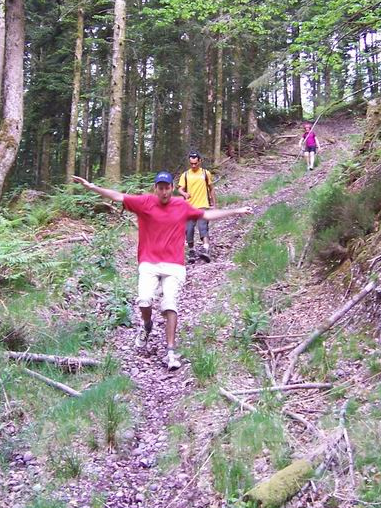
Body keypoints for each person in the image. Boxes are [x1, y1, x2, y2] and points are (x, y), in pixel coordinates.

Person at [72, 172, 252, 371]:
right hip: (149, 262)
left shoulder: (181, 205)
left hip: (174, 264)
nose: (164, 191)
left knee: (170, 305)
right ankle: (147, 325)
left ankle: (171, 351)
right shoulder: (144, 202)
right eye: (160, 188)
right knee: (144, 300)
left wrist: (236, 211)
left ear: (172, 188)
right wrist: (91, 187)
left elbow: (206, 215)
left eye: (167, 188)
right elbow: (118, 196)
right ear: (155, 188)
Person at [177, 150, 216, 263]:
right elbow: (180, 189)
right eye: (191, 164)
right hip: (189, 207)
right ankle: (191, 251)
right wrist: (184, 194)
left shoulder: (205, 173)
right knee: (188, 230)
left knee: (203, 227)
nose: (193, 166)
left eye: (195, 163)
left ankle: (206, 249)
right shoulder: (185, 175)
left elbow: (211, 188)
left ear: (200, 161)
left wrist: (214, 203)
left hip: (203, 204)